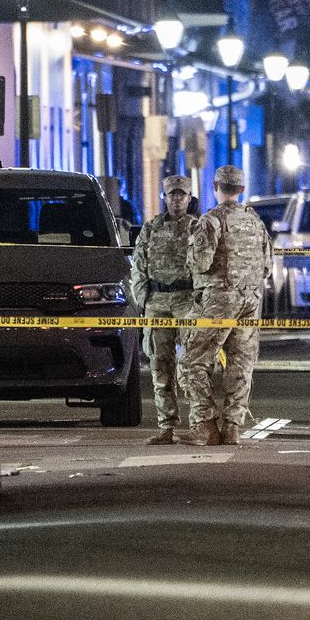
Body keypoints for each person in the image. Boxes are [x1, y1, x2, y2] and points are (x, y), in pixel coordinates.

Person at [178, 164, 272, 447]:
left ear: (215, 187)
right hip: (250, 300)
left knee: (193, 360)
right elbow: (267, 266)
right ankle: (232, 427)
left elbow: (200, 263)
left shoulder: (211, 220)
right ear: (241, 190)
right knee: (241, 364)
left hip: (219, 299)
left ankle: (205, 425)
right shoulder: (255, 221)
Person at [128, 176, 202, 445]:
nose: (177, 199)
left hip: (186, 300)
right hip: (157, 301)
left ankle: (198, 424)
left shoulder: (197, 228)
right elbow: (138, 266)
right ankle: (166, 425)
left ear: (189, 197)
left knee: (193, 363)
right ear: (165, 196)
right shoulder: (150, 229)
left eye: (181, 194)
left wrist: (200, 300)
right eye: (172, 194)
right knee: (160, 364)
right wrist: (143, 299)